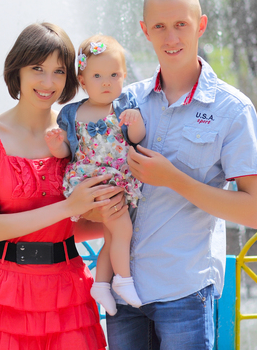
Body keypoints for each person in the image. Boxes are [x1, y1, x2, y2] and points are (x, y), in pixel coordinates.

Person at [104, 0, 257, 349]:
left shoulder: (232, 109)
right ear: (145, 30)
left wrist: (173, 179)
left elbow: (254, 211)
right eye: (160, 26)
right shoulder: (125, 100)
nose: (171, 37)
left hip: (184, 292)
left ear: (201, 25)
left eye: (181, 24)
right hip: (124, 291)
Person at [0, 22, 128, 350]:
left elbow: (69, 226)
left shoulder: (75, 131)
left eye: (59, 71)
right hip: (2, 293)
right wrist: (69, 206)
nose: (48, 83)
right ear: (17, 69)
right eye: (37, 69)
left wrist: (113, 216)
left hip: (66, 292)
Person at [45, 34, 145, 315]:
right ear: (83, 80)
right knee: (123, 229)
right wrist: (56, 146)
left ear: (124, 76)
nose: (106, 82)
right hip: (91, 181)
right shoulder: (72, 113)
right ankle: (123, 280)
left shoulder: (124, 106)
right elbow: (68, 151)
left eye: (114, 75)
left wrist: (136, 121)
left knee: (113, 236)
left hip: (116, 178)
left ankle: (101, 284)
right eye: (97, 76)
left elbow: (136, 138)